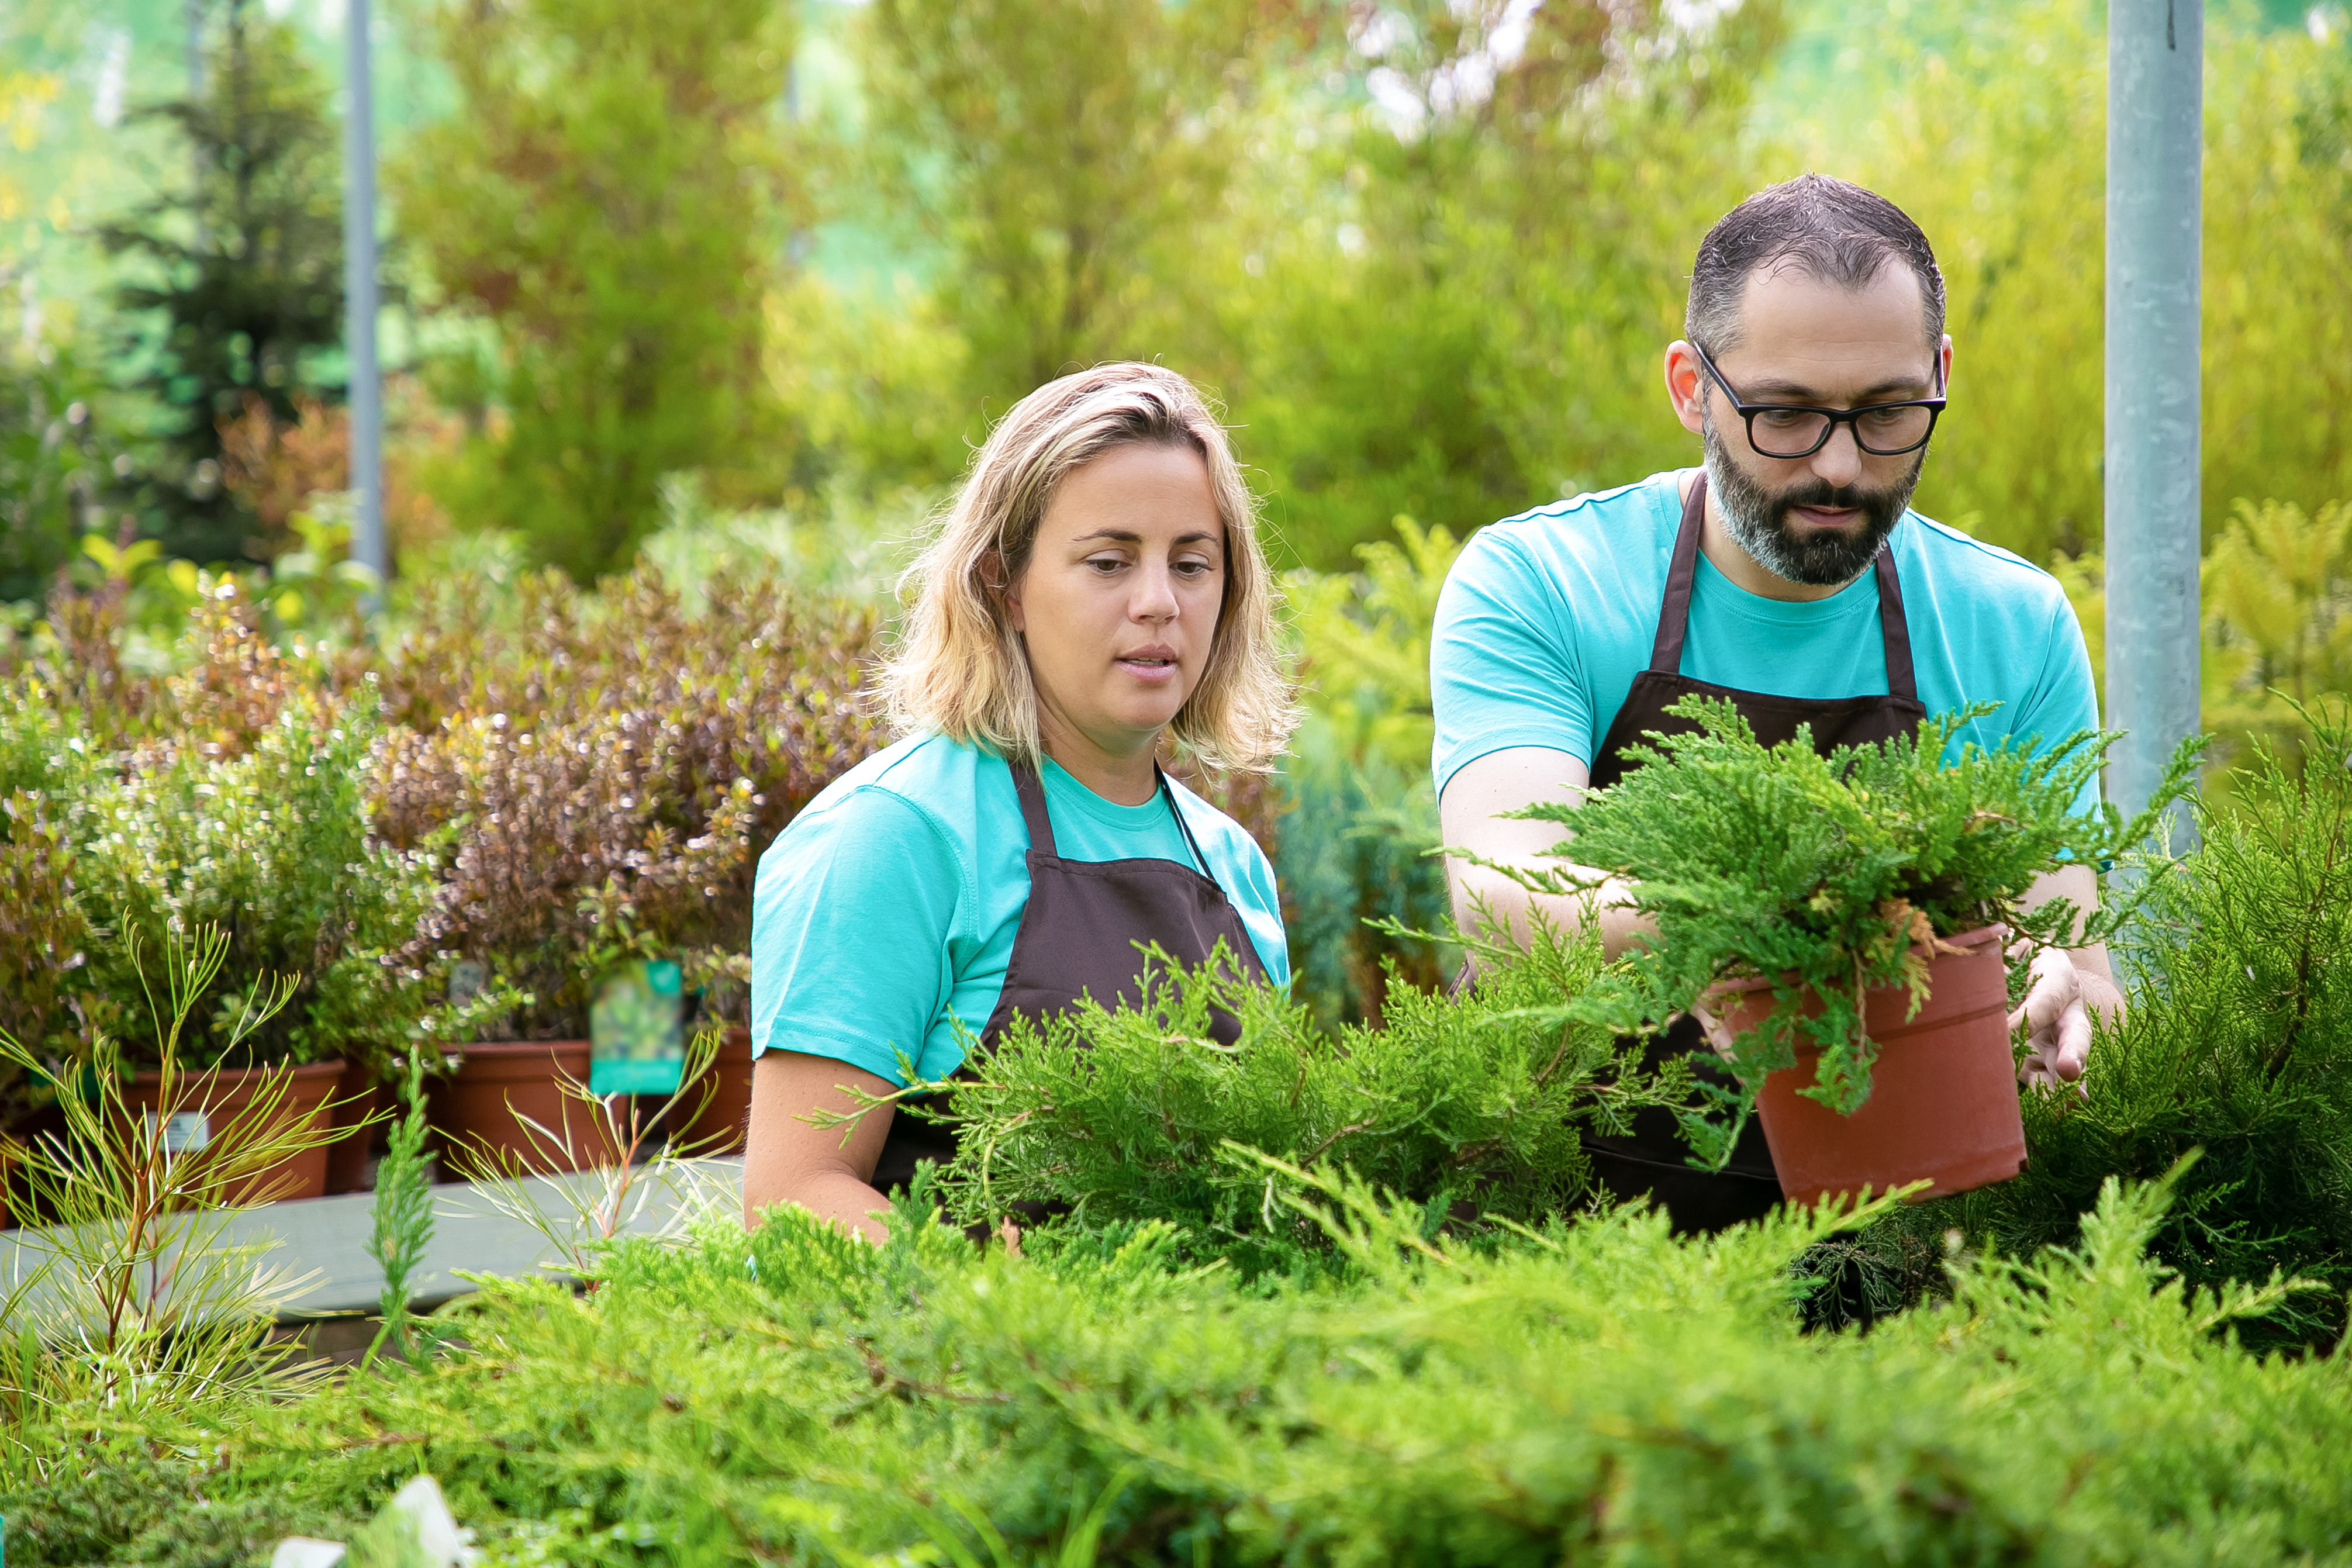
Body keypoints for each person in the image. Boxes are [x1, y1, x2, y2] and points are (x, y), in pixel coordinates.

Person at [1431, 174, 2112, 1232]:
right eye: (1785, 413)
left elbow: (2081, 969)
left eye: (1888, 413)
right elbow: (1506, 893)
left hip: (1903, 1257)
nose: (1839, 466)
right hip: (1568, 1251)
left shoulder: (2011, 625)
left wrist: (2061, 999)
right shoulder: (1545, 581)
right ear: (1690, 388)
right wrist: (1762, 927)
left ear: (1940, 376)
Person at [741, 363, 1297, 1242]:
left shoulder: (1235, 869)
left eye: (1192, 564)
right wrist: (1012, 1301)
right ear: (1004, 586)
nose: (1159, 602)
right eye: (1109, 562)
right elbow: (795, 1194)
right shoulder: (898, 835)